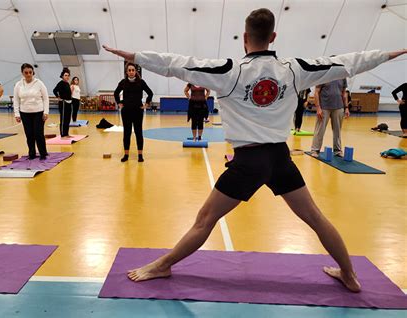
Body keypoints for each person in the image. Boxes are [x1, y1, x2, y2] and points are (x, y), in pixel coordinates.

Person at [103, 8, 407, 292]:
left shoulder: (228, 71)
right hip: (280, 158)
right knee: (314, 217)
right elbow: (348, 62)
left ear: (245, 37)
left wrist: (134, 56)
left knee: (204, 220)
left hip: (249, 161)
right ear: (273, 37)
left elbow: (176, 64)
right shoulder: (295, 69)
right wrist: (389, 54)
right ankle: (349, 275)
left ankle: (162, 266)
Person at [113, 62, 153, 162]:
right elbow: (116, 93)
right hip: (126, 111)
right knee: (127, 133)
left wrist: (146, 104)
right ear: (126, 72)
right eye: (129, 70)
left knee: (138, 133)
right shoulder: (123, 82)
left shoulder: (141, 82)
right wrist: (119, 103)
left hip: (138, 111)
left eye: (133, 70)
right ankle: (126, 155)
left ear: (136, 71)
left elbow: (150, 93)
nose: (131, 72)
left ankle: (140, 155)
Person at [13, 63, 49, 160]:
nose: (28, 74)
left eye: (30, 72)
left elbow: (46, 98)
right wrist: (17, 114)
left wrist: (46, 112)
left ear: (33, 72)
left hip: (38, 112)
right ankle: (32, 153)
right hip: (24, 113)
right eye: (26, 72)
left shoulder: (39, 83)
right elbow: (16, 100)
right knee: (29, 134)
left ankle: (43, 153)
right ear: (22, 73)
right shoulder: (18, 85)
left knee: (38, 133)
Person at [309, 78, 349, 157]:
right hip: (324, 107)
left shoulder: (343, 76)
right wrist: (318, 108)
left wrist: (346, 107)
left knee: (337, 130)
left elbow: (344, 93)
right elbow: (316, 92)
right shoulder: (325, 74)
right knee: (320, 129)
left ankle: (337, 150)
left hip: (338, 107)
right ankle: (315, 150)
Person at [53, 68, 72, 138]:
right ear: (62, 76)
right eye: (65, 75)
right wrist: (58, 97)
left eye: (68, 75)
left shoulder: (67, 83)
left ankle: (66, 133)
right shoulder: (61, 83)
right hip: (63, 103)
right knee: (63, 119)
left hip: (69, 103)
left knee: (68, 119)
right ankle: (63, 135)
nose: (67, 77)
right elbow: (54, 90)